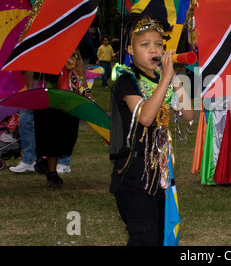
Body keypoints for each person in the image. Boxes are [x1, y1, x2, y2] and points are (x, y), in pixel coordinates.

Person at [109, 14, 194, 245]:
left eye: (158, 44)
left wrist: (173, 77)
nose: (153, 49)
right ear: (130, 50)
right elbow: (146, 117)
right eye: (144, 44)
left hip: (160, 172)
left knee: (158, 232)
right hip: (134, 173)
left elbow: (188, 114)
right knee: (142, 235)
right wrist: (166, 78)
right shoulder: (127, 80)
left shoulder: (162, 78)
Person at [32, 48, 94, 187]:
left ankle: (44, 161)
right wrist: (31, 92)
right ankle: (52, 173)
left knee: (69, 133)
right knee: (50, 133)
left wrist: (86, 88)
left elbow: (79, 64)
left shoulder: (73, 43)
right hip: (47, 93)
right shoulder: (42, 41)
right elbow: (30, 66)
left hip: (69, 94)